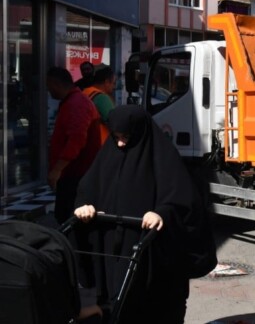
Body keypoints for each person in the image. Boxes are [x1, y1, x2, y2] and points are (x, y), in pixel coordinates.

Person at [73, 105, 216, 323]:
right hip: (115, 250)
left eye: (126, 137)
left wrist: (162, 214)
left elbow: (184, 200)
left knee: (153, 309)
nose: (120, 143)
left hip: (152, 254)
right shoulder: (109, 154)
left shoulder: (162, 156)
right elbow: (88, 188)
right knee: (118, 304)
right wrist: (84, 206)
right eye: (116, 137)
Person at [46, 67, 103, 224]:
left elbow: (76, 141)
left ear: (55, 83)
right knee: (66, 217)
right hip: (72, 174)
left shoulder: (77, 103)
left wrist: (57, 169)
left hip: (77, 176)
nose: (48, 90)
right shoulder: (72, 101)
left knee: (72, 219)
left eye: (48, 85)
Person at [83, 64, 116, 143]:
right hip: (101, 144)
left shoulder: (85, 92)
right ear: (107, 82)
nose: (114, 87)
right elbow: (114, 123)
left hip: (88, 142)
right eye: (113, 83)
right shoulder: (101, 98)